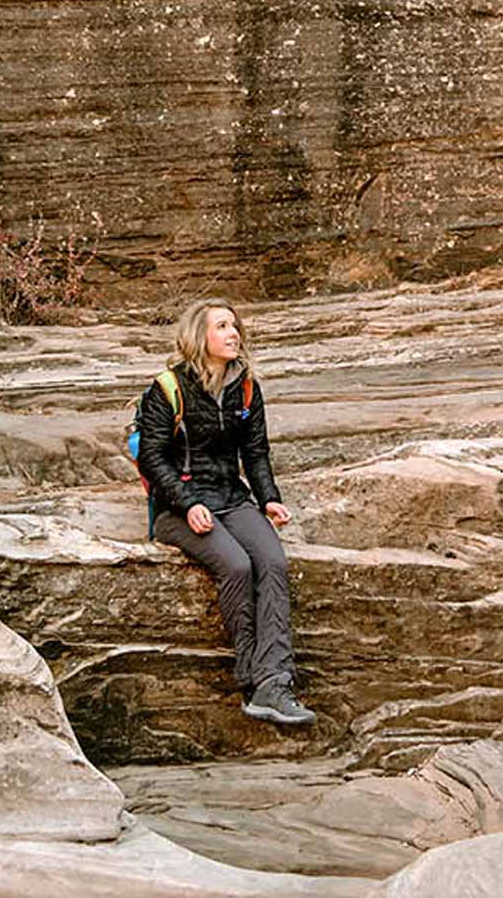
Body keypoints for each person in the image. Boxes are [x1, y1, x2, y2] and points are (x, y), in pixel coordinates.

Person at [135, 298, 315, 727]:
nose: (234, 334)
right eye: (222, 327)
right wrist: (187, 503)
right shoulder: (167, 388)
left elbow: (255, 454)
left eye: (235, 326)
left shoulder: (246, 387)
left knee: (271, 561)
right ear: (201, 336)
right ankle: (255, 681)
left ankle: (275, 682)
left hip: (231, 499)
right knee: (236, 565)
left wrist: (269, 496)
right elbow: (153, 459)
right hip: (177, 507)